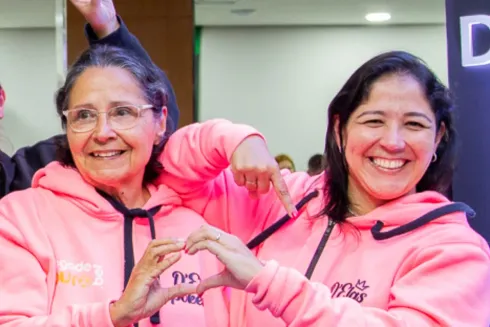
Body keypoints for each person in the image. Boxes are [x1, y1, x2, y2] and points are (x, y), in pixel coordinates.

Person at [157, 51, 490, 326]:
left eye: (414, 124)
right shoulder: (282, 200)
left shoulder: (453, 249)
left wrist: (270, 284)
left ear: (439, 137)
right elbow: (166, 172)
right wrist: (235, 138)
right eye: (373, 121)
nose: (392, 142)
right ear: (339, 129)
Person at [0, 45, 227, 327]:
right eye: (84, 115)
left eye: (122, 112)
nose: (103, 133)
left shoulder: (195, 229)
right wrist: (113, 315)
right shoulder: (21, 218)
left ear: (160, 122)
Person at [0, 0, 180, 197]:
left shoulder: (37, 171)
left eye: (120, 111)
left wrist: (108, 28)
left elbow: (155, 120)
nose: (103, 133)